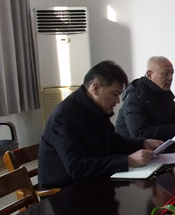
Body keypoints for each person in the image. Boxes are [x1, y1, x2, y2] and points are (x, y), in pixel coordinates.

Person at [39, 60, 162, 189]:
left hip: (92, 182)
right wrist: (128, 160)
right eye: (114, 94)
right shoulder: (64, 116)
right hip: (64, 192)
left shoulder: (96, 109)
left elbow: (113, 142)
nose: (117, 101)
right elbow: (77, 167)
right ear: (96, 88)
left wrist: (143, 143)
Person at [115, 56, 175, 141]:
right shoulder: (136, 97)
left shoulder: (162, 92)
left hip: (160, 144)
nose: (170, 78)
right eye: (165, 73)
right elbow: (139, 133)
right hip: (133, 148)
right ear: (149, 75)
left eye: (172, 73)